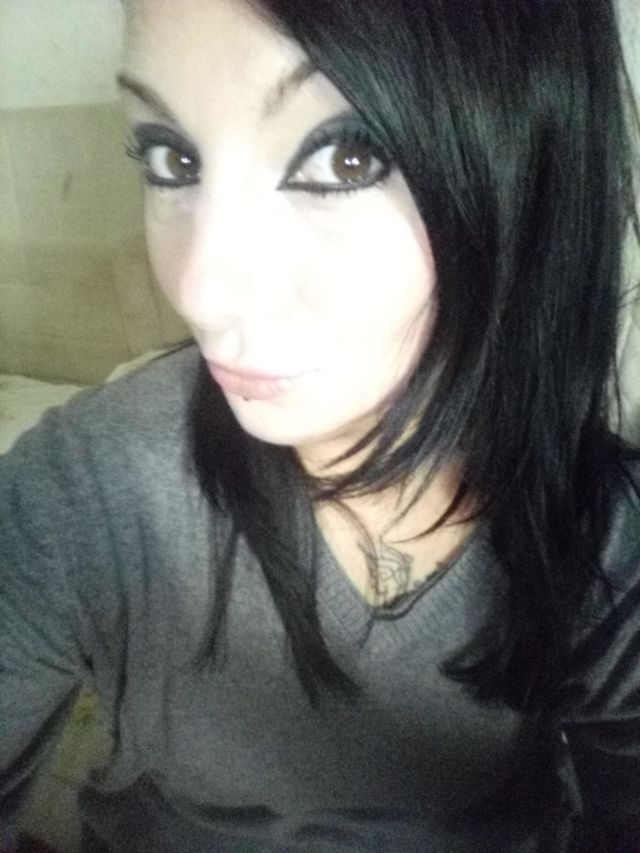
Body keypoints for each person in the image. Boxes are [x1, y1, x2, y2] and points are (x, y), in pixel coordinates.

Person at [2, 0, 640, 850]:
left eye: (346, 156)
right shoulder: (88, 490)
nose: (199, 291)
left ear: (529, 170)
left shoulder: (603, 536)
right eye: (171, 156)